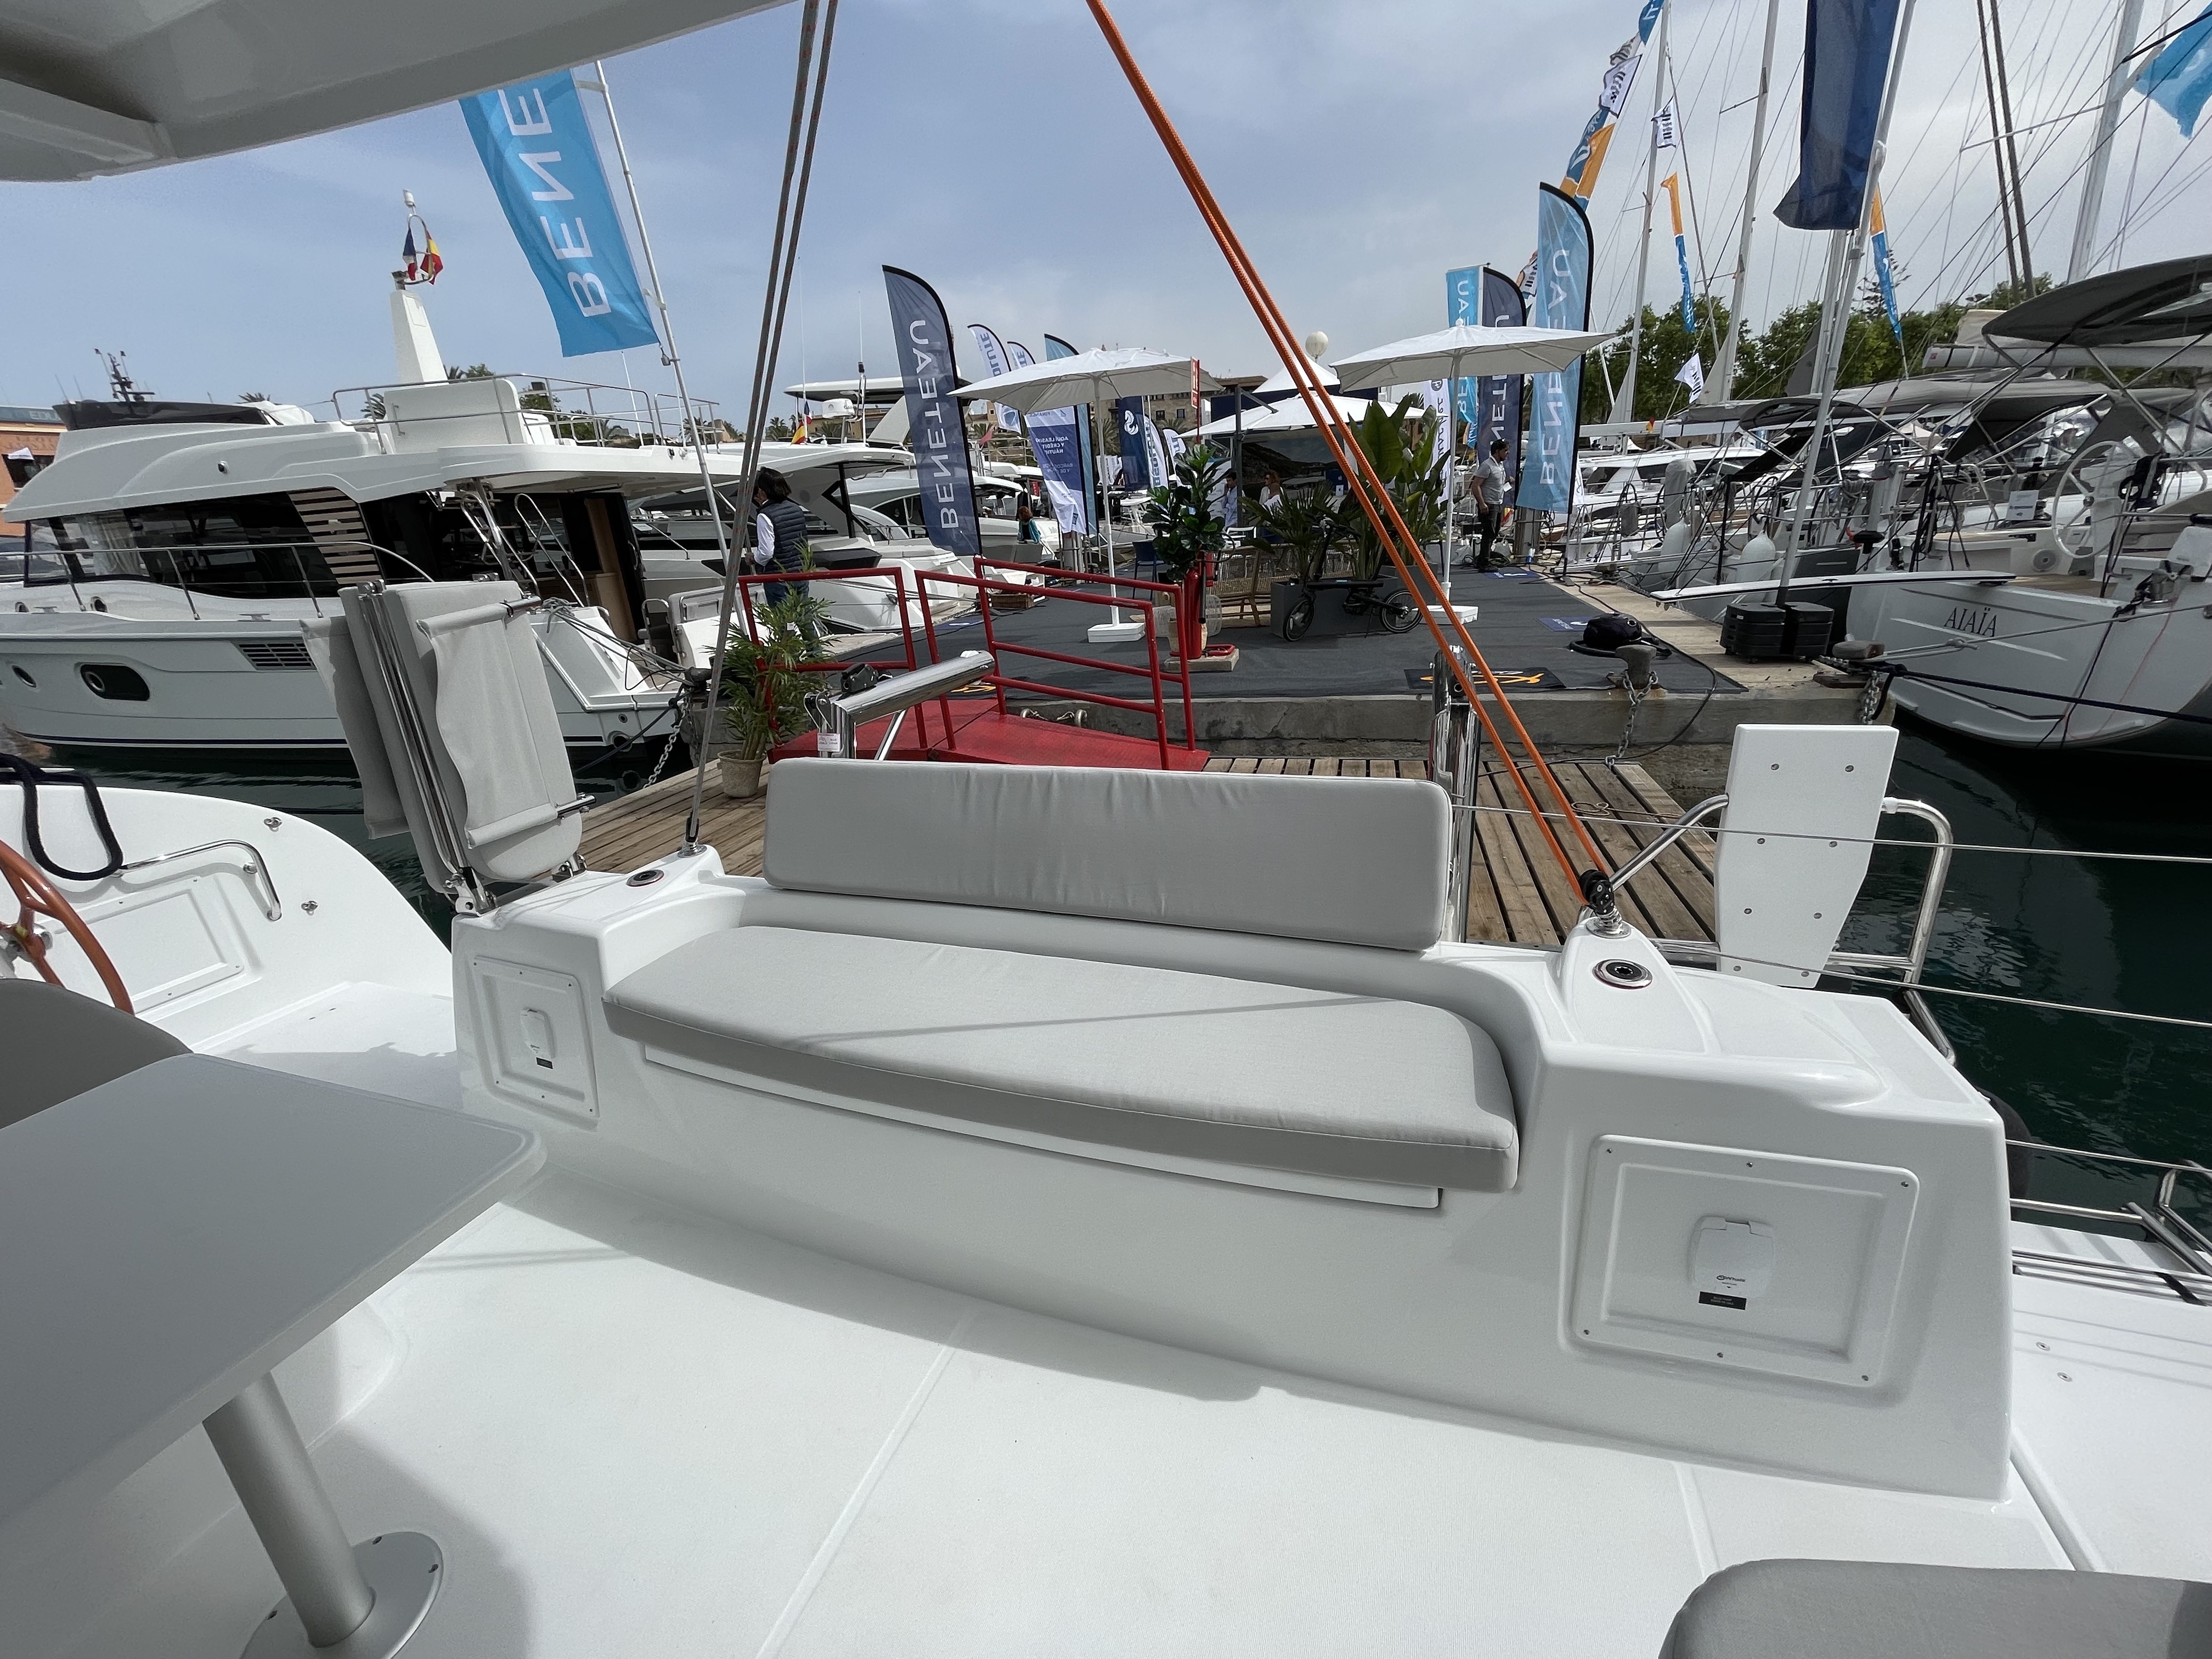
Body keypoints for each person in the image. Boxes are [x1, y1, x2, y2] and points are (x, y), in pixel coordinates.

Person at [750, 466, 809, 607]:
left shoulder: (765, 515)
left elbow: (766, 553)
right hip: (800, 572)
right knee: (803, 614)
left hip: (778, 576)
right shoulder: (796, 508)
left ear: (761, 491)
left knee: (782, 617)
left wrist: (754, 558)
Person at [1465, 438, 1512, 571]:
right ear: (1497, 451)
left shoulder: (1500, 466)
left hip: (1498, 504)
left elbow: (1495, 483)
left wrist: (1507, 481)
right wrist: (1482, 504)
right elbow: (1476, 486)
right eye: (1505, 450)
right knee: (1489, 533)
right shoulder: (1487, 465)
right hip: (1489, 505)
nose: (1508, 453)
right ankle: (1483, 563)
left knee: (1495, 532)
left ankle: (1484, 557)